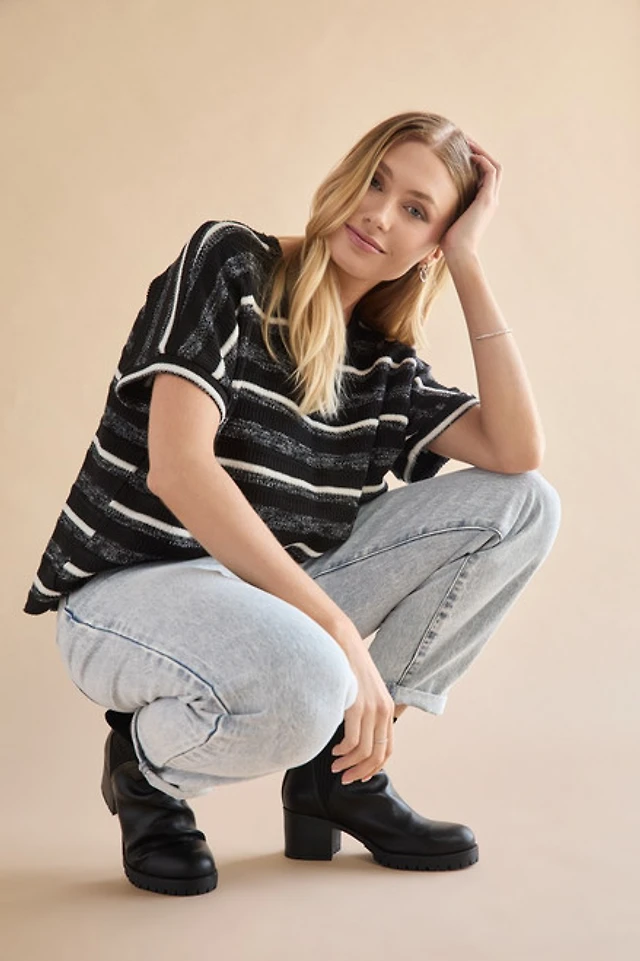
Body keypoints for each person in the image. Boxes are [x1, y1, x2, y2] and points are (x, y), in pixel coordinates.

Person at [24, 111, 561, 896]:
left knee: (524, 505)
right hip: (130, 593)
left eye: (416, 210)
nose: (380, 214)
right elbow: (179, 469)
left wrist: (469, 262)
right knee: (312, 681)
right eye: (375, 181)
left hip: (266, 595)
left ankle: (340, 770)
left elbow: (517, 452)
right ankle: (146, 766)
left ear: (432, 244)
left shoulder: (384, 367)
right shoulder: (230, 261)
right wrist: (340, 634)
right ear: (346, 176)